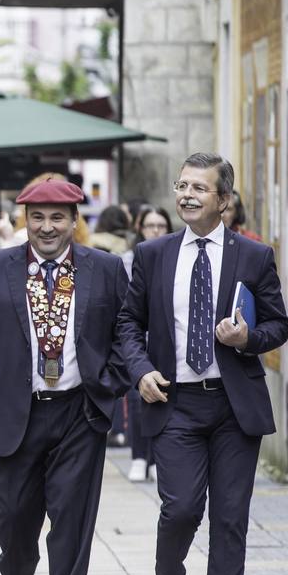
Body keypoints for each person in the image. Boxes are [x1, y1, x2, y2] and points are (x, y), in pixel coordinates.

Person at [117, 153, 288, 575]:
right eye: (181, 185)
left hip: (235, 408)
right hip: (176, 403)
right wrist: (141, 370)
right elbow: (128, 325)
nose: (187, 195)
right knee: (182, 509)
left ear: (225, 201)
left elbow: (278, 325)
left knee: (230, 516)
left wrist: (245, 338)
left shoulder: (253, 257)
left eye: (199, 188)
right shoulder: (154, 254)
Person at [0, 178, 130, 575]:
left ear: (74, 221)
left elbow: (127, 331)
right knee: (14, 514)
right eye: (37, 217)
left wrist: (109, 385)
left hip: (78, 412)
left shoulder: (105, 269)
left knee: (72, 515)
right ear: (23, 219)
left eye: (57, 218)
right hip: (16, 410)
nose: (47, 227)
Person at [121, 205, 172, 482]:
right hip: (138, 343)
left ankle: (154, 458)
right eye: (150, 225)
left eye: (161, 225)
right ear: (140, 228)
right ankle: (139, 456)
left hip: (165, 343)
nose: (155, 230)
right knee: (137, 398)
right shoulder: (129, 260)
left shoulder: (175, 257)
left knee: (162, 397)